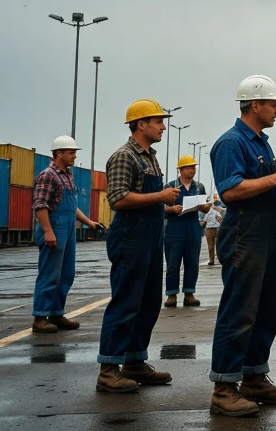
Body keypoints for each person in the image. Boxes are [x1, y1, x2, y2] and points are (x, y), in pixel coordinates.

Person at [207, 74, 276, 416]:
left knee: (267, 310)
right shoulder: (231, 143)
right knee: (239, 310)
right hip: (244, 233)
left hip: (267, 232)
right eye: (273, 104)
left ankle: (254, 377)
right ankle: (224, 387)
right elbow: (230, 191)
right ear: (255, 105)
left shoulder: (261, 143)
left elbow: (266, 187)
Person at [96, 99, 179, 393]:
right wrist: (160, 198)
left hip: (152, 236)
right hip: (131, 236)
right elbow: (117, 198)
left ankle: (133, 362)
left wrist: (166, 203)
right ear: (141, 124)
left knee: (148, 302)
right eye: (158, 121)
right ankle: (108, 368)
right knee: (126, 301)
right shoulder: (124, 156)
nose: (163, 126)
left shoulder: (150, 156)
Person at [31, 135, 105, 334]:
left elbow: (73, 207)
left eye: (75, 152)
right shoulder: (48, 175)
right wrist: (48, 231)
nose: (74, 156)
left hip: (69, 229)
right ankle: (40, 317)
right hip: (55, 228)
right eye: (71, 152)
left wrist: (88, 222)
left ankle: (56, 313)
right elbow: (40, 206)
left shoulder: (68, 175)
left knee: (66, 274)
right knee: (49, 274)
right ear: (58, 153)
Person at [163, 155, 208, 308]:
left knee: (192, 262)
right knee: (172, 263)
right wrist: (171, 209)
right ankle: (171, 295)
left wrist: (205, 208)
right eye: (189, 168)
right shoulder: (170, 186)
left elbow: (204, 205)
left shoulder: (199, 187)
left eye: (194, 167)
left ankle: (189, 294)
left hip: (193, 226)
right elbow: (159, 208)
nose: (193, 170)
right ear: (181, 169)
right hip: (174, 227)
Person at [204, 198, 224, 266]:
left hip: (216, 228)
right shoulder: (207, 213)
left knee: (215, 245)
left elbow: (220, 220)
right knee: (211, 246)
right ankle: (212, 260)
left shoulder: (216, 212)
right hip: (210, 229)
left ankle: (217, 259)